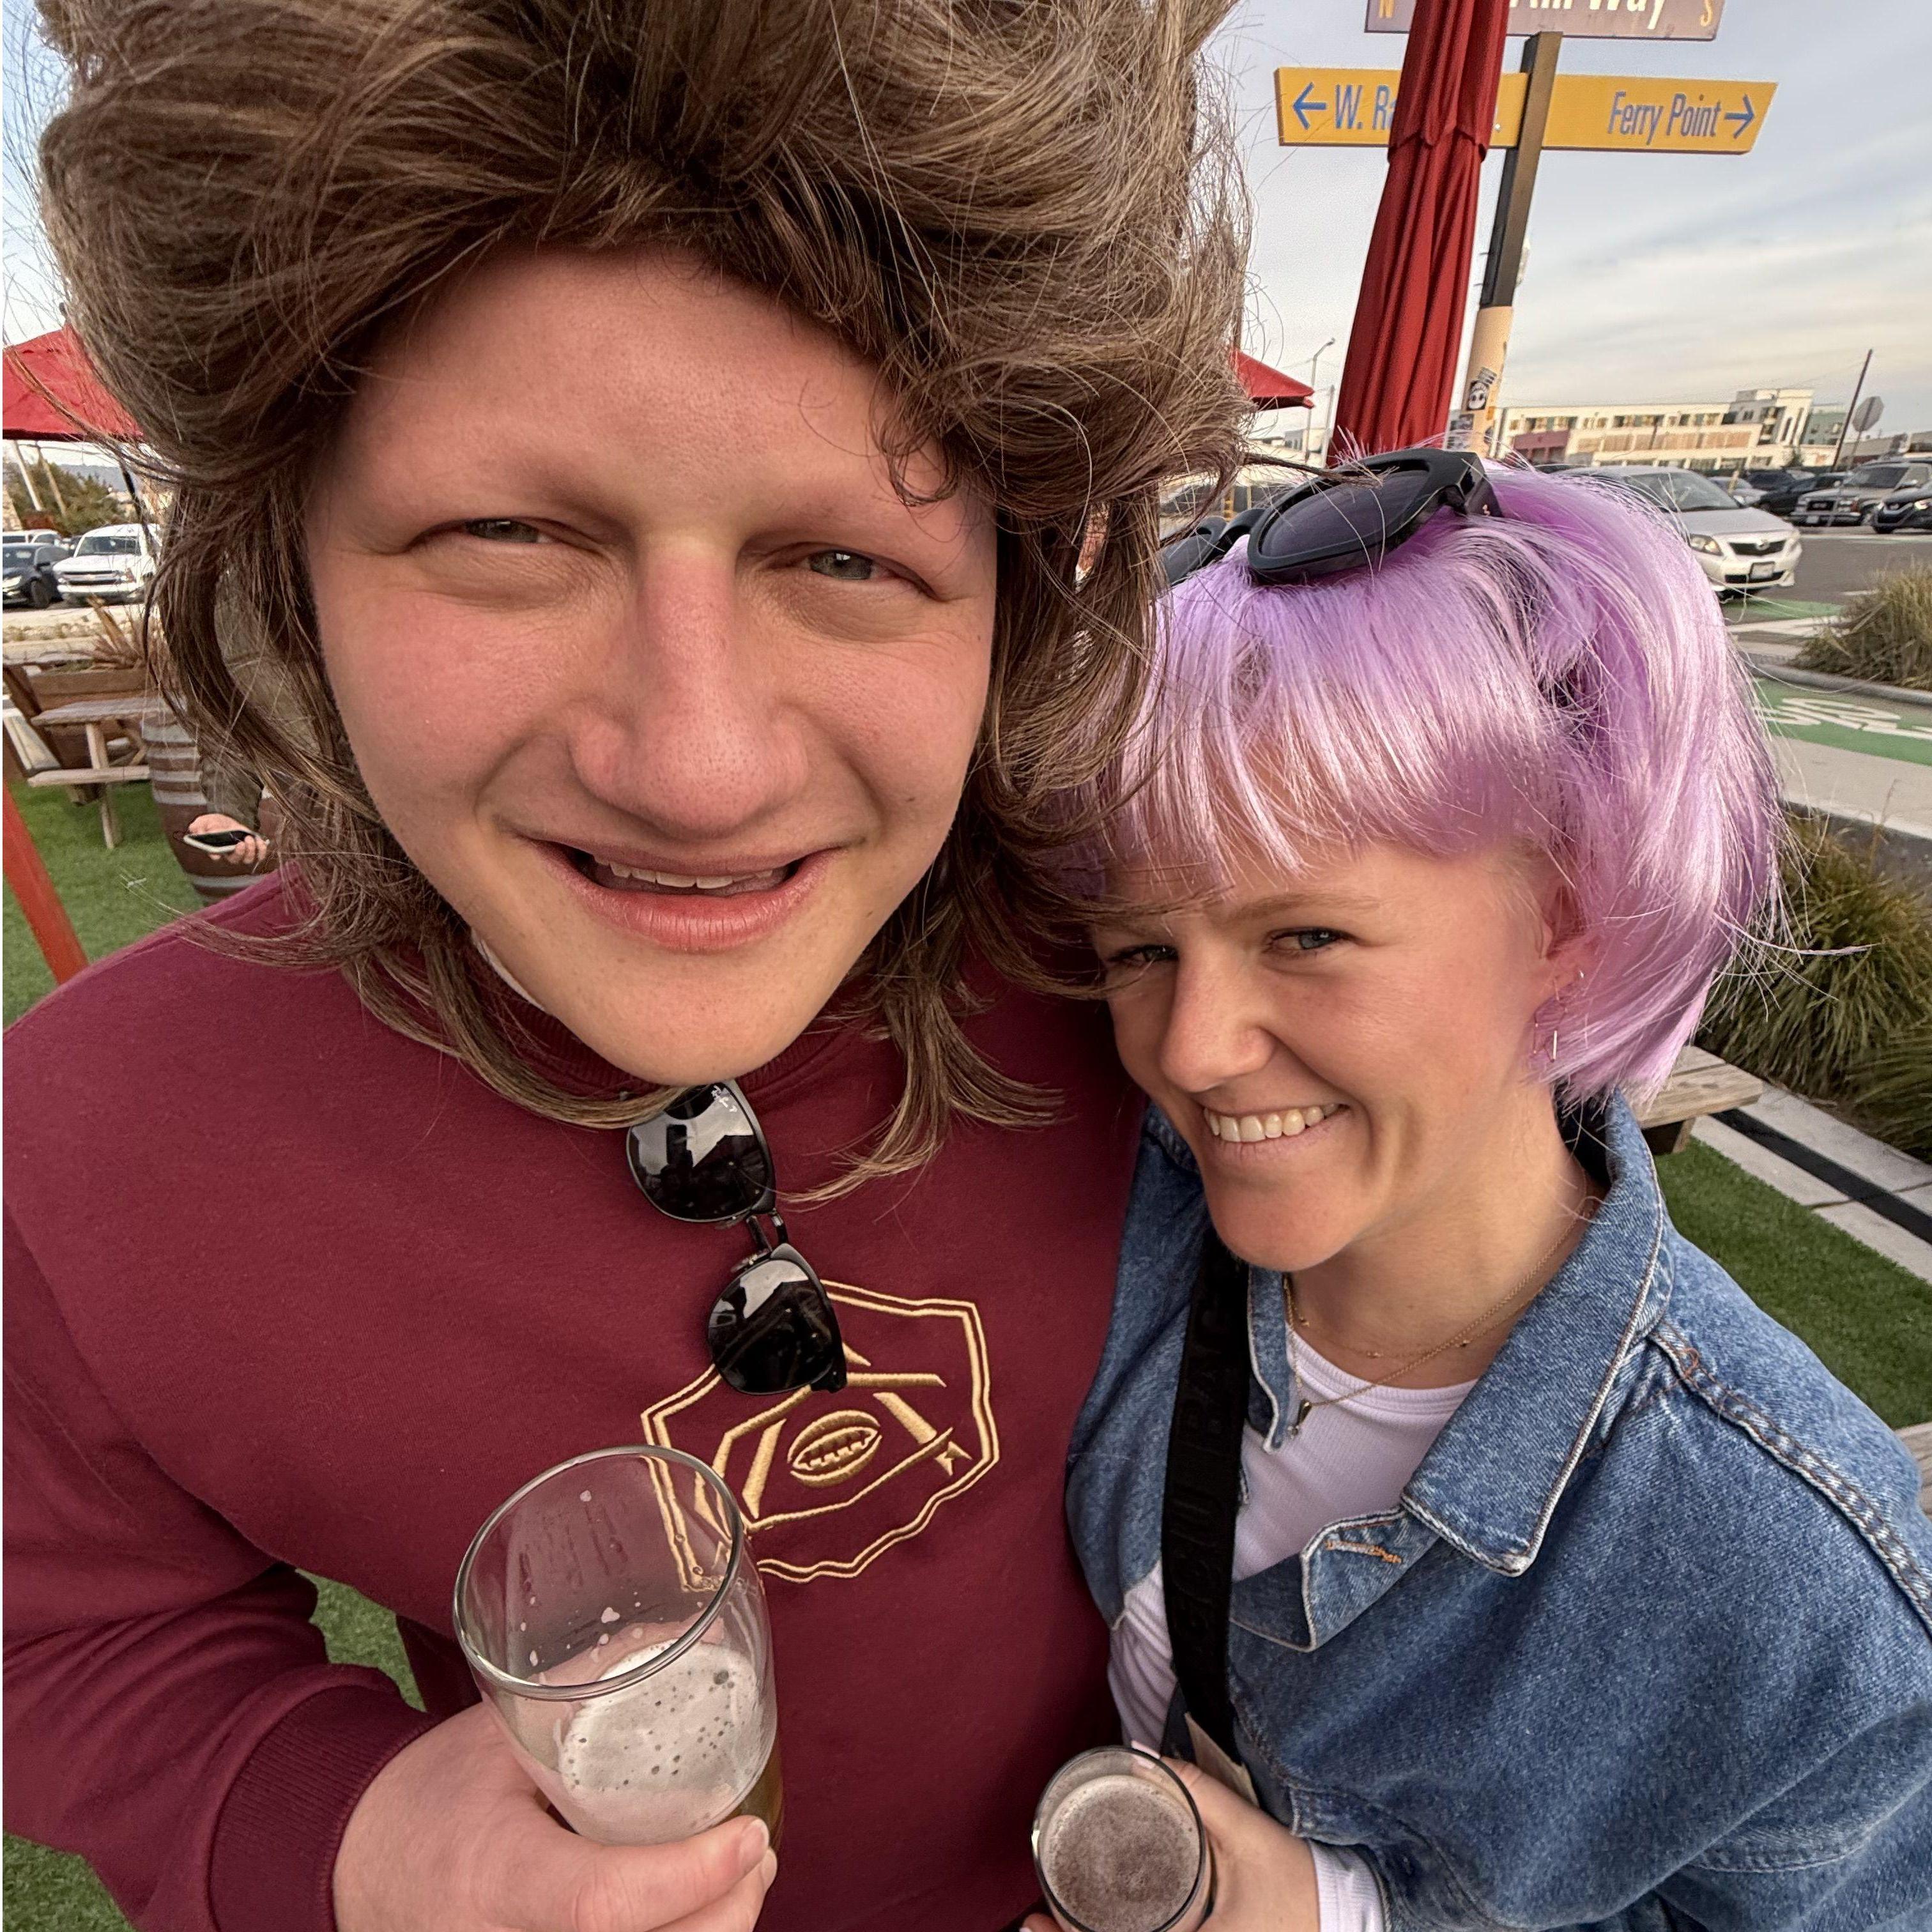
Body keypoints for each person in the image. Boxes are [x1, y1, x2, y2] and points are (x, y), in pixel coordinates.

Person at [4, 4, 1248, 1930]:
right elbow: (69, 1631)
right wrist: (347, 1832)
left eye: (847, 559)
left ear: (1017, 595)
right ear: (285, 556)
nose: (696, 767)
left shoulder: (1184, 980)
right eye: (506, 533)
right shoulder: (86, 1159)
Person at [1053, 457, 1932, 1931]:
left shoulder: (1788, 1587)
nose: (1190, 1052)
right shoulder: (1124, 1223)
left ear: (1566, 917)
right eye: (1142, 950)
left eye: (1307, 937)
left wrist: (1335, 1915)